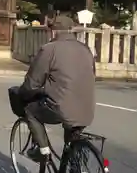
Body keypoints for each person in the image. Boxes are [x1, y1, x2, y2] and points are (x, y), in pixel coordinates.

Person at [13, 16, 96, 162]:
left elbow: (33, 84)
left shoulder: (49, 49)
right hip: (87, 109)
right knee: (70, 143)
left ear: (53, 31)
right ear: (71, 30)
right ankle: (72, 163)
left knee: (30, 111)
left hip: (60, 108)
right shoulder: (85, 49)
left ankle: (43, 150)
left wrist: (22, 93)